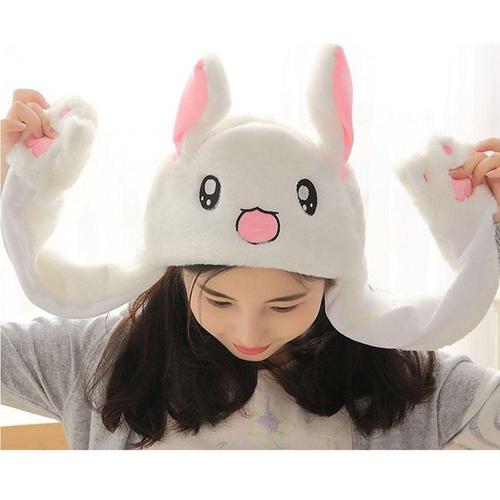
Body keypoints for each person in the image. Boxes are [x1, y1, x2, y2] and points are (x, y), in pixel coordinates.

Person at [1, 74, 500, 448]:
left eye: (285, 305)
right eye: (218, 300)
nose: (250, 332)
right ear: (177, 271)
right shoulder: (98, 362)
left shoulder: (405, 385)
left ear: (332, 282)